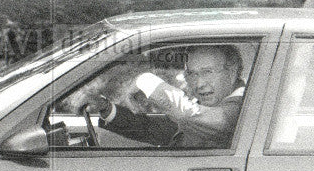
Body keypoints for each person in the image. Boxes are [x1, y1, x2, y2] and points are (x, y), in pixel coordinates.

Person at [83, 45, 245, 149]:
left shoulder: (241, 108)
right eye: (192, 74)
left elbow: (188, 115)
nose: (199, 84)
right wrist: (106, 108)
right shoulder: (215, 104)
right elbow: (156, 130)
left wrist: (145, 80)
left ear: (231, 73)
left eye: (207, 72)